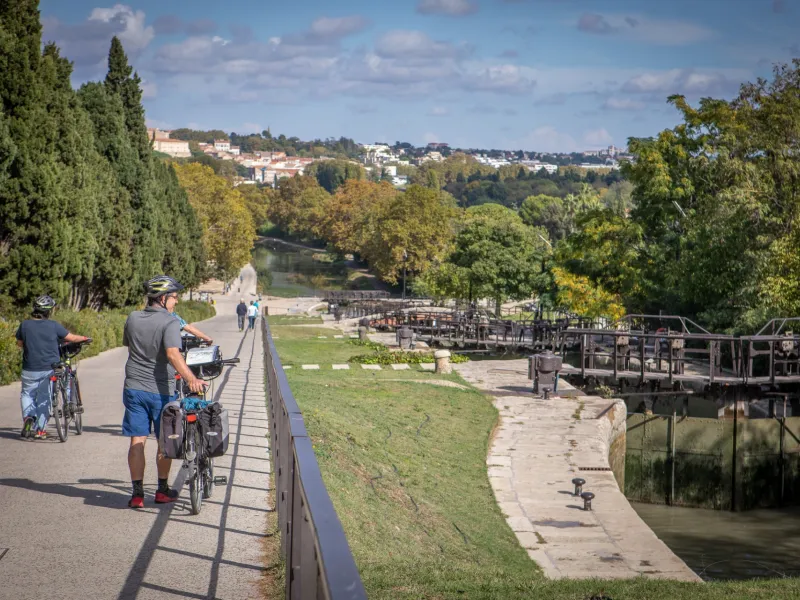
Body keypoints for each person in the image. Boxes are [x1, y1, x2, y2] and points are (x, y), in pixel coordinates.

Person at [122, 275, 206, 508]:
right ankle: (161, 490)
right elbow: (172, 354)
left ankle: (137, 494)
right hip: (161, 390)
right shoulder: (170, 322)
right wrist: (192, 379)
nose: (176, 301)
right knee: (164, 441)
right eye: (174, 297)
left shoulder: (133, 317)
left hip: (134, 387)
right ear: (162, 298)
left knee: (137, 439)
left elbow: (129, 345)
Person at [15, 296, 90, 440]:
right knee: (44, 398)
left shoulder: (24, 325)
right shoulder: (53, 326)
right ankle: (40, 430)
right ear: (48, 311)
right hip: (49, 369)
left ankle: (29, 418)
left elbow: (19, 343)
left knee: (27, 394)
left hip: (29, 368)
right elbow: (72, 338)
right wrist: (85, 338)